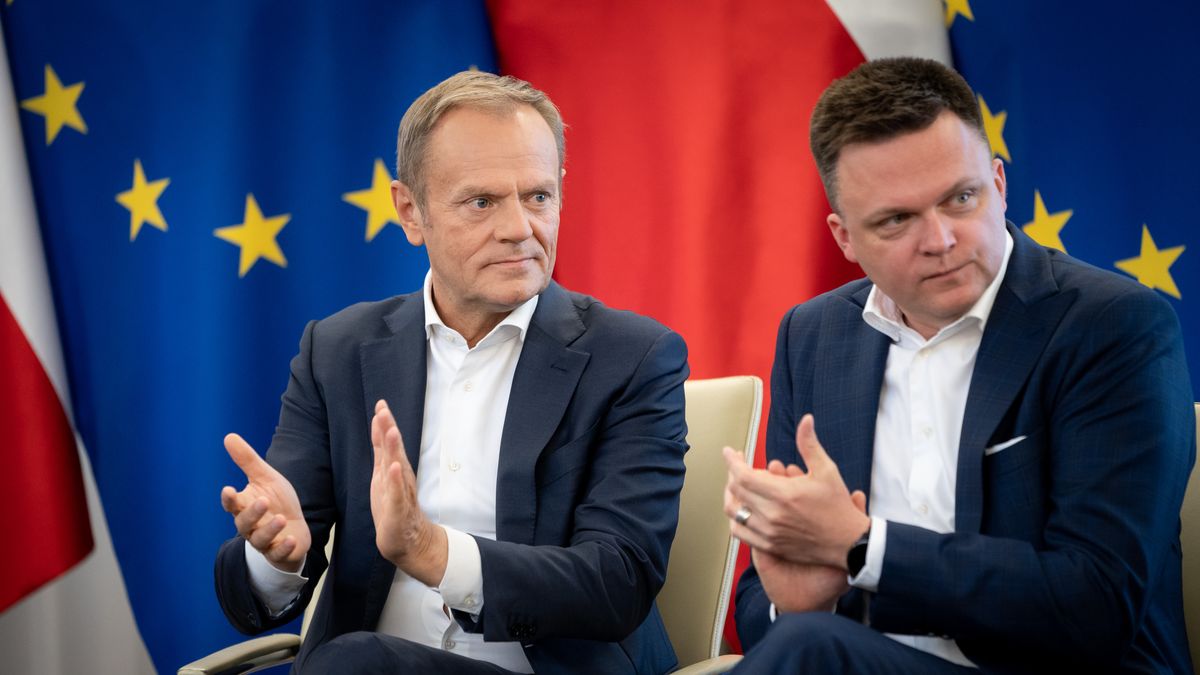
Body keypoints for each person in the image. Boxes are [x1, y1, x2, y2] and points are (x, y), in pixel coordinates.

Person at [725, 57, 1194, 673]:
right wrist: (803, 604)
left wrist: (864, 548)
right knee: (804, 640)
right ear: (845, 238)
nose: (941, 239)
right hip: (856, 658)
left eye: (961, 198)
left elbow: (1097, 604)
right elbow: (767, 604)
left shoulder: (1112, 326)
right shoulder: (813, 336)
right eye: (897, 219)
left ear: (999, 186)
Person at [214, 71, 689, 674]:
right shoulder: (336, 350)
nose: (520, 228)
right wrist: (275, 556)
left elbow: (617, 581)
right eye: (482, 201)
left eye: (538, 196)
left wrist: (431, 551)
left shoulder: (634, 357)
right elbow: (255, 597)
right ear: (411, 212)